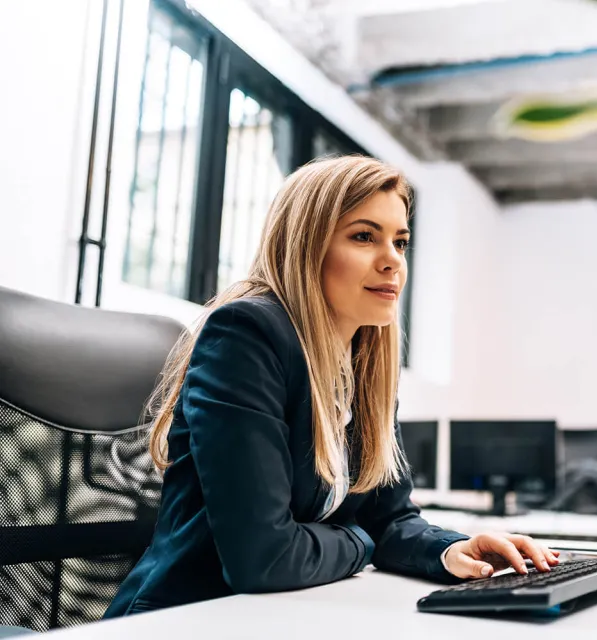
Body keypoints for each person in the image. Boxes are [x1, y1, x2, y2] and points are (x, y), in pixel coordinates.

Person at [105, 156, 558, 618]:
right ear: (307, 245)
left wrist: (451, 549)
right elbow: (265, 558)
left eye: (400, 241)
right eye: (364, 236)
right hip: (187, 618)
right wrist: (360, 539)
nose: (393, 261)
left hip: (288, 615)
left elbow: (390, 518)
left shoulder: (360, 366)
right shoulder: (246, 334)